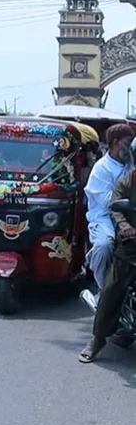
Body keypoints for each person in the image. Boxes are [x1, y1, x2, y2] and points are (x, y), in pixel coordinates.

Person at [79, 142, 136, 363]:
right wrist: (125, 226)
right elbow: (115, 206)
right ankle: (98, 338)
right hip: (131, 245)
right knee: (113, 288)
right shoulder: (127, 182)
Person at [83, 123, 134, 294]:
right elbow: (109, 202)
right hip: (104, 219)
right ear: (116, 142)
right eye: (128, 142)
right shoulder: (101, 169)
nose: (130, 146)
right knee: (104, 246)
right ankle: (104, 292)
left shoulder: (131, 164)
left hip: (130, 216)